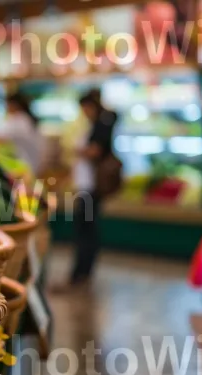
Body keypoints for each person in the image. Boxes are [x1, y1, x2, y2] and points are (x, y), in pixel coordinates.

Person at [64, 90, 117, 289]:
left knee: (85, 229)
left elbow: (95, 151)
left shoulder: (101, 124)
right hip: (86, 186)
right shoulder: (99, 124)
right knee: (86, 228)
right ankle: (82, 271)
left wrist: (75, 150)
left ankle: (81, 272)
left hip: (90, 187)